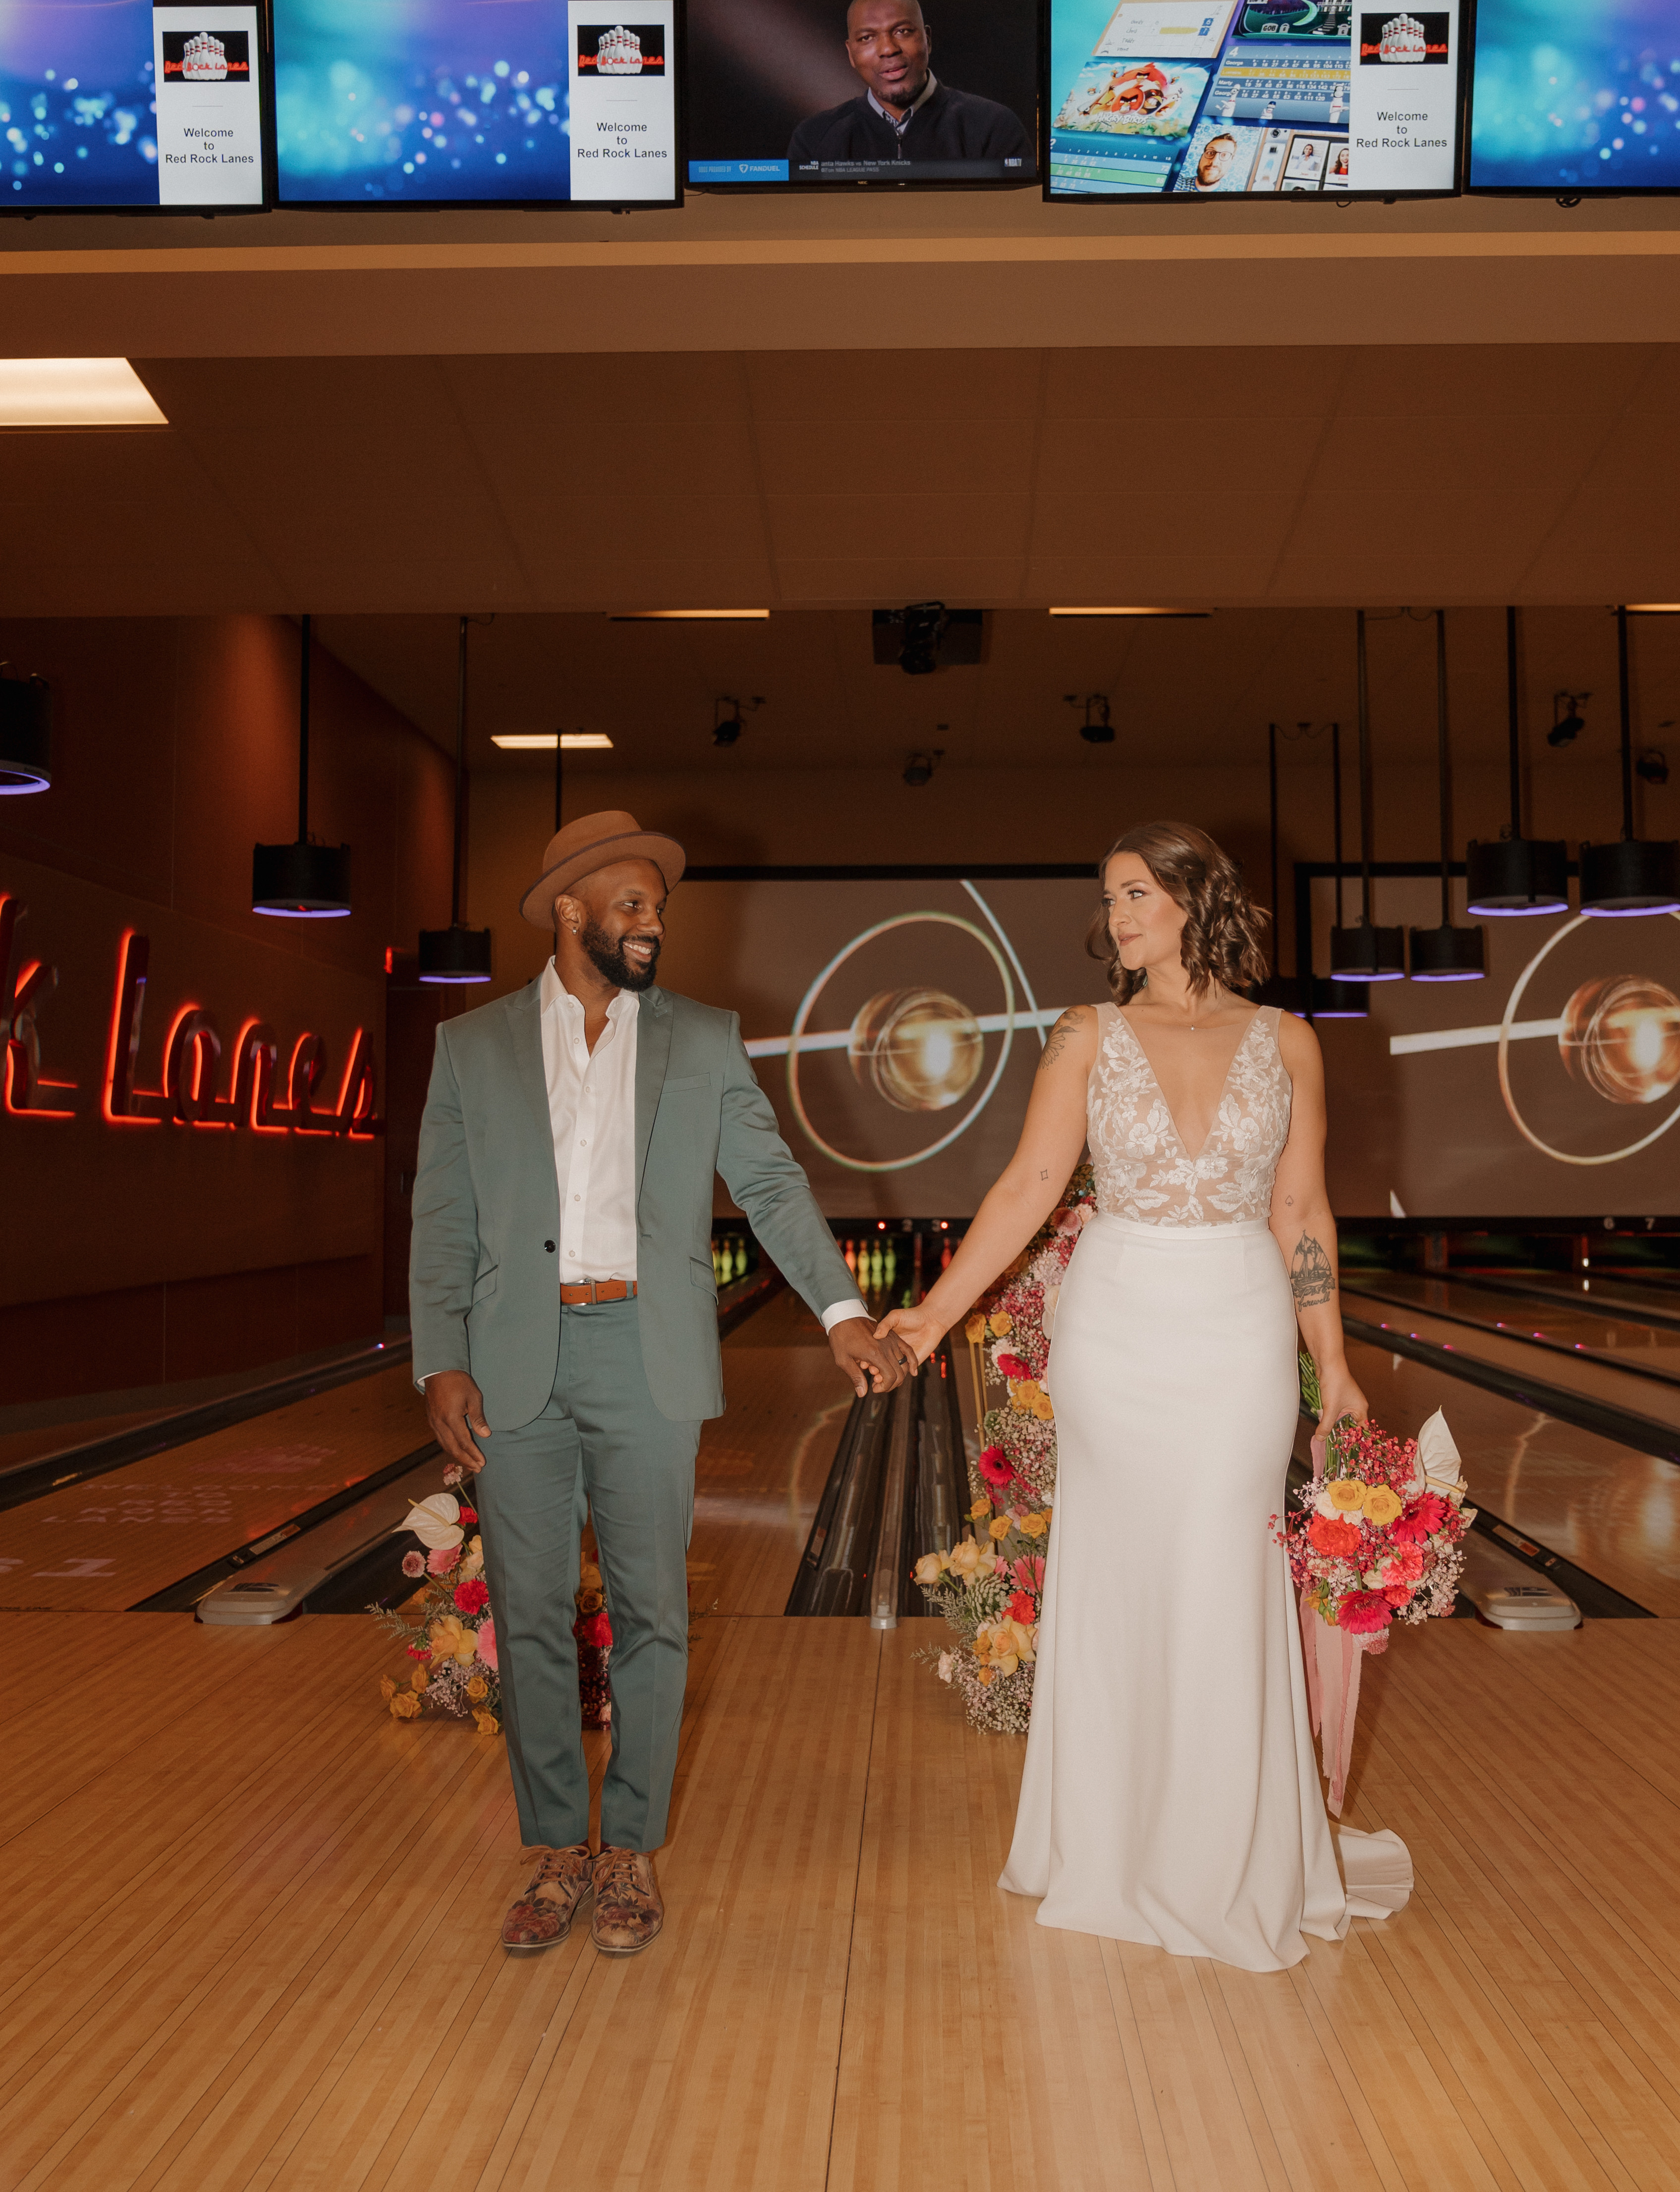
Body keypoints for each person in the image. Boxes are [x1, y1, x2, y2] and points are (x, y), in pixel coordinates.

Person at [879, 821, 1406, 1972]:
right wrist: (931, 1311)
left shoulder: (1286, 1040)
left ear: (1190, 897)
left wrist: (1337, 1366)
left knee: (1224, 1570)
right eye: (1107, 896)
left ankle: (1226, 1853)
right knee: (1119, 1577)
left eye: (1133, 893)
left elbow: (1300, 1210)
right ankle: (1106, 1847)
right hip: (1115, 1325)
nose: (1115, 916)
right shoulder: (1086, 1033)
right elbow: (1027, 1185)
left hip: (1236, 1326)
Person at [410, 808, 910, 1963]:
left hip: (646, 1352)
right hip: (515, 1360)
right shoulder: (474, 1046)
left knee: (651, 1614)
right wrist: (441, 1357)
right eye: (631, 906)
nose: (652, 925)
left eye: (659, 909)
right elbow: (443, 1216)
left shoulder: (699, 1035)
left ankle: (626, 1844)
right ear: (573, 911)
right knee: (529, 1616)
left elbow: (771, 1182)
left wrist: (840, 1309)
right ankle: (554, 1848)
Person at [787, 0, 1032, 169]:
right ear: (851, 54)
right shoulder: (814, 138)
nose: (888, 49)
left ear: (927, 39)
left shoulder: (995, 126)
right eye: (867, 38)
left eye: (902, 31)